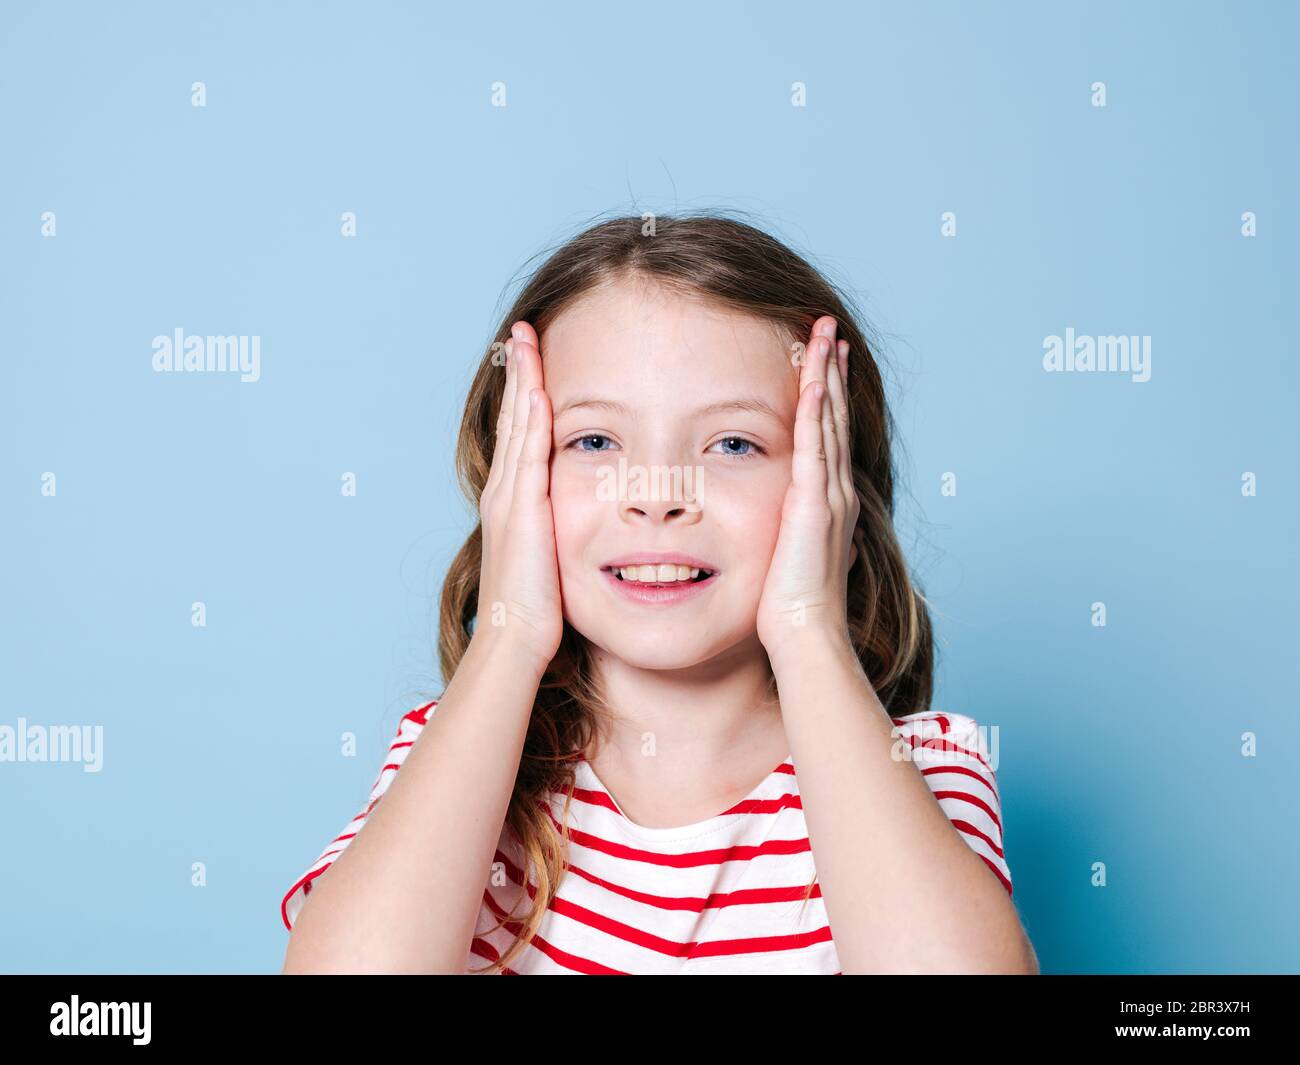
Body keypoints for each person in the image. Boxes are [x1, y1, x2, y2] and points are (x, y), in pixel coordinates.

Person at [280, 212, 1038, 974]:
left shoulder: (921, 766)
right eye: (595, 441)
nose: (656, 494)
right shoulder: (457, 755)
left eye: (733, 443)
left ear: (832, 490)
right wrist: (508, 632)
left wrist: (810, 627)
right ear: (513, 481)